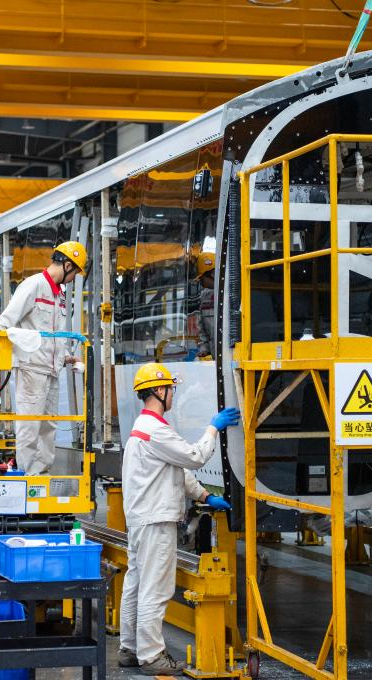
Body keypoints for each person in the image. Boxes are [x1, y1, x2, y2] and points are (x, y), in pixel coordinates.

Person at [118, 363, 240, 675]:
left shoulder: (144, 428)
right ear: (160, 391)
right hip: (155, 521)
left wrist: (204, 496)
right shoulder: (156, 430)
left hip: (142, 520)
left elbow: (177, 470)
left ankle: (129, 649)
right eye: (171, 389)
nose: (173, 394)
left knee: (136, 584)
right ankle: (151, 656)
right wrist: (213, 427)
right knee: (155, 590)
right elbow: (194, 457)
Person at [0, 241, 87, 475]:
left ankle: (42, 476)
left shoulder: (59, 295)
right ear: (67, 265)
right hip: (31, 369)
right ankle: (27, 476)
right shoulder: (33, 286)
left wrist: (67, 357)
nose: (73, 279)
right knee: (30, 425)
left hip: (52, 370)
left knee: (48, 426)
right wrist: (16, 349)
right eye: (74, 273)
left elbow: (51, 335)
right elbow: (1, 325)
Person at [194, 251, 216, 359]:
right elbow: (201, 326)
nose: (201, 283)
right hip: (217, 357)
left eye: (201, 279)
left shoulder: (234, 294)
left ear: (211, 274)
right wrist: (204, 349)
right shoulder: (204, 297)